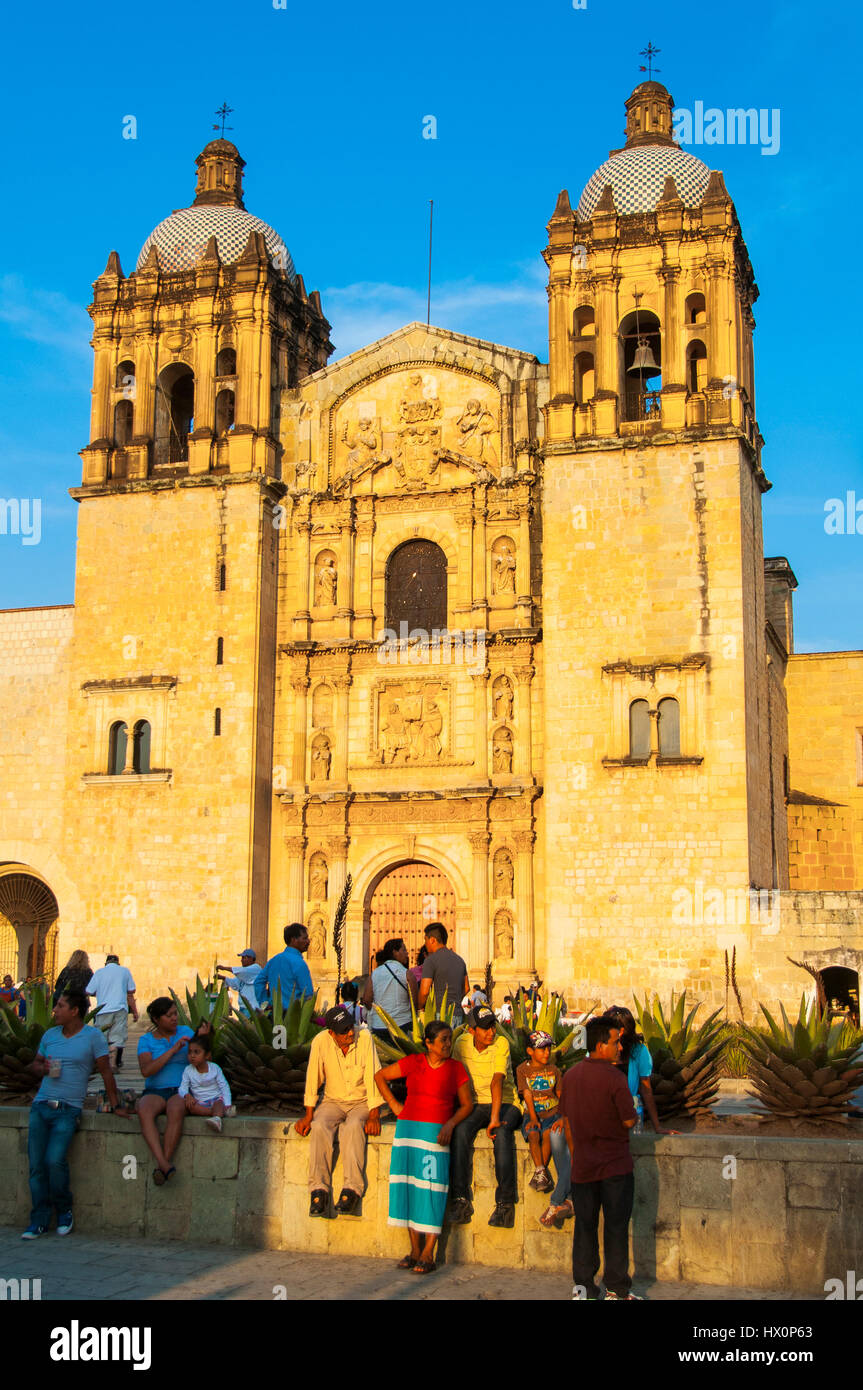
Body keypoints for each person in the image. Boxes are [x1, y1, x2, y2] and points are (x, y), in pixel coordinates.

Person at [21, 989, 127, 1239]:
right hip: (41, 1105)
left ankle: (64, 1209)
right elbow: (34, 1064)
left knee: (54, 1161)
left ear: (74, 1011)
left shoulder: (92, 1037)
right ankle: (38, 1219)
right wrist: (41, 1067)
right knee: (36, 1165)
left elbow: (106, 1072)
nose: (54, 1010)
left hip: (68, 1110)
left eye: (59, 1006)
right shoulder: (50, 1035)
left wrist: (116, 1104)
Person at [375, 1020, 473, 1274]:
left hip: (435, 1134)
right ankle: (415, 1250)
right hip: (407, 1132)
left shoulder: (456, 1069)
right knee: (409, 1186)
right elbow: (380, 1076)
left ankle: (429, 1251)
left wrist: (450, 1124)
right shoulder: (415, 1062)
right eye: (443, 1040)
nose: (448, 1044)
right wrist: (396, 1107)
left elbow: (466, 1105)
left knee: (432, 1189)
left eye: (450, 1039)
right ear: (428, 1043)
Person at [560, 1014, 640, 1301]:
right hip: (615, 1166)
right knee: (616, 1228)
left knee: (585, 1228)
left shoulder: (570, 1077)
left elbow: (567, 1123)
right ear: (601, 1045)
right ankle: (617, 1289)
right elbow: (630, 1121)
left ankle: (583, 1288)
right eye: (616, 1042)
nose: (620, 1048)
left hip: (583, 1166)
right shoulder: (615, 1079)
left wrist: (576, 1154)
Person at [295, 1004, 381, 1216]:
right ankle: (318, 1189)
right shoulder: (320, 1042)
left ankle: (352, 1189)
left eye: (351, 1027)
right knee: (319, 1125)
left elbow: (373, 1075)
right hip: (333, 1100)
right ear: (331, 1033)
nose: (350, 1033)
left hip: (360, 1101)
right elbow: (313, 1078)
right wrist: (308, 1115)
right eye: (344, 1031)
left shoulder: (365, 1038)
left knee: (353, 1127)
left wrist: (374, 1114)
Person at [449, 1004, 521, 1227]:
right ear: (472, 1030)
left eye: (492, 1026)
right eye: (485, 1028)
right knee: (460, 1132)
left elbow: (497, 1081)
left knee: (502, 1133)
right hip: (477, 1104)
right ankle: (460, 1199)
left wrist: (495, 1118)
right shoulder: (461, 1044)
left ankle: (505, 1203)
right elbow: (454, 1076)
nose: (491, 1032)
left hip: (507, 1102)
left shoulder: (501, 1043)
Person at [136, 997, 203, 1185]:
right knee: (144, 1109)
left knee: (176, 1108)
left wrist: (201, 1040)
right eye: (169, 1015)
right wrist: (173, 1050)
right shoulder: (146, 1040)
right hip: (155, 1090)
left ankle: (162, 1166)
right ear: (157, 1019)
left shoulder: (185, 1032)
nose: (175, 1018)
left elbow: (201, 1057)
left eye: (175, 1014)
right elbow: (146, 1070)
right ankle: (164, 1163)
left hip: (180, 1090)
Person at [516, 1030, 573, 1228]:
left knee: (550, 1133)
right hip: (533, 1114)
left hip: (553, 1114)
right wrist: (532, 1117)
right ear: (530, 1051)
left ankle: (544, 1173)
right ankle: (541, 1169)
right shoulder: (523, 1069)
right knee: (533, 1134)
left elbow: (561, 1094)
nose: (546, 1052)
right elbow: (527, 1095)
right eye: (541, 1049)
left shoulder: (554, 1070)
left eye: (548, 1048)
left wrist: (564, 1117)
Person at [606, 1004, 677, 1136]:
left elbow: (646, 1089)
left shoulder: (639, 1051)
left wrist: (658, 1127)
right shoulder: (598, 1050)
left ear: (621, 1031)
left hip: (630, 1111)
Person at [86, 954, 138, 1070]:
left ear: (106, 963)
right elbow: (131, 990)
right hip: (120, 1007)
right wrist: (135, 1011)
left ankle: (102, 1064)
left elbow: (89, 990)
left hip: (103, 1009)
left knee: (102, 1037)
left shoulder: (99, 972)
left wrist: (100, 993)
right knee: (117, 1035)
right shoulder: (125, 971)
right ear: (118, 963)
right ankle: (113, 1064)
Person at [364, 938, 416, 1041]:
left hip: (379, 1026)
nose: (407, 953)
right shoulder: (407, 974)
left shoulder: (375, 974)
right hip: (402, 1025)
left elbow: (366, 999)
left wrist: (379, 1012)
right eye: (404, 950)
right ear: (395, 952)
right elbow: (414, 1003)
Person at [178, 1032, 231, 1133]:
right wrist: (186, 1095)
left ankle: (218, 1116)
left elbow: (224, 1086)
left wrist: (227, 1104)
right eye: (190, 1052)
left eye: (196, 1052)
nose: (192, 1056)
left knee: (219, 1103)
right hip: (200, 1101)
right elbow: (182, 1087)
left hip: (216, 1098)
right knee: (191, 1107)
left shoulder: (215, 1068)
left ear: (207, 1055)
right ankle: (217, 1114)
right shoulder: (188, 1070)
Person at [418, 923, 469, 1024]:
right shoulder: (460, 960)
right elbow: (466, 988)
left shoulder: (431, 960)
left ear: (432, 940)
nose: (425, 943)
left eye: (426, 940)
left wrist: (419, 1008)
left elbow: (424, 991)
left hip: (438, 1015)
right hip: (458, 1014)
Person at [254, 923, 313, 1008]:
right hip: (294, 1016)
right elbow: (308, 994)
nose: (308, 941)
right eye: (305, 938)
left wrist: (264, 1003)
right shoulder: (299, 963)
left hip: (274, 1014)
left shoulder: (273, 960)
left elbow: (258, 982)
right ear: (293, 940)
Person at [216, 947, 263, 1016]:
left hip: (252, 1008)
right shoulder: (244, 974)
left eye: (244, 958)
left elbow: (242, 971)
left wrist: (224, 968)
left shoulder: (256, 968)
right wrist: (223, 978)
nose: (241, 960)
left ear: (251, 958)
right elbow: (235, 984)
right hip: (243, 1007)